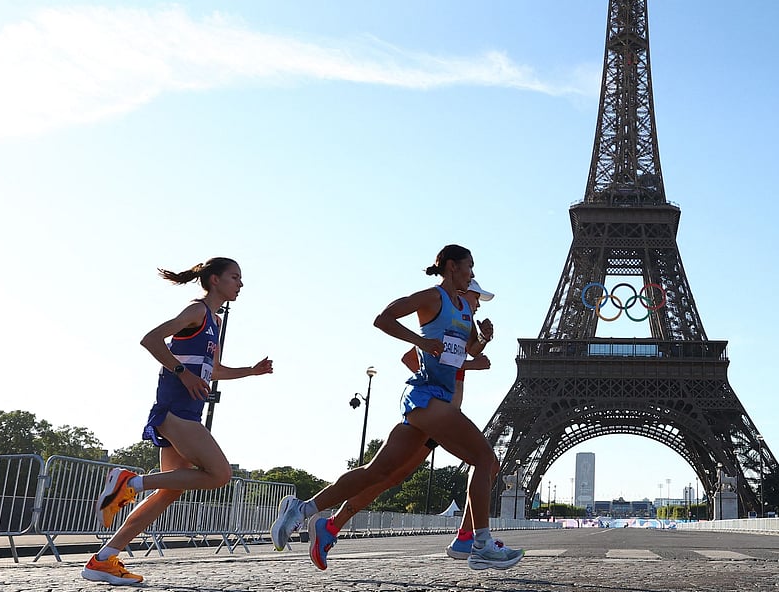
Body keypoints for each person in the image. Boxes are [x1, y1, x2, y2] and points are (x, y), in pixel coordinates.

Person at [270, 244, 523, 572]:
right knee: (485, 459)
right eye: (468, 267)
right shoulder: (433, 298)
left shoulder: (464, 309)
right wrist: (419, 342)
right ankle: (480, 543)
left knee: (379, 473)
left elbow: (464, 351)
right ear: (450, 267)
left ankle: (303, 511)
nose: (472, 274)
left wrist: (483, 340)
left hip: (438, 403)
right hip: (426, 397)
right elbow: (383, 319)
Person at [81, 257, 274, 586]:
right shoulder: (197, 311)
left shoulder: (215, 321)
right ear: (214, 280)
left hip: (187, 409)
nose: (240, 284)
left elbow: (215, 371)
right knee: (219, 475)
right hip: (175, 408)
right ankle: (129, 483)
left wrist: (251, 371)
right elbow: (151, 339)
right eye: (234, 277)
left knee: (171, 489)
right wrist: (182, 373)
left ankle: (103, 560)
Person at [299, 277, 499, 566]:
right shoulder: (442, 318)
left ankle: (331, 526)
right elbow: (412, 359)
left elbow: (469, 351)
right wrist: (466, 364)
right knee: (392, 475)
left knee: (388, 476)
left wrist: (481, 341)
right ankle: (468, 538)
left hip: (443, 415)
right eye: (476, 298)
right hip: (432, 411)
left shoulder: (461, 327)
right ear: (462, 293)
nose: (478, 304)